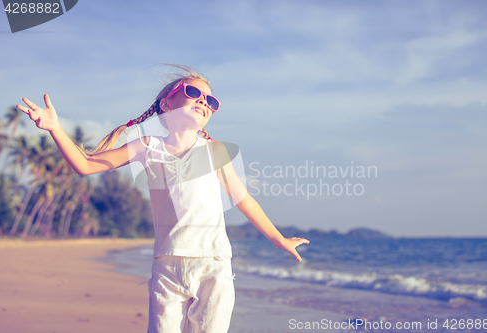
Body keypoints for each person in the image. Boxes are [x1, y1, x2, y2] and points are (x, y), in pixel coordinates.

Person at [17, 66, 310, 333]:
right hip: (167, 268)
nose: (203, 102)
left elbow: (244, 200)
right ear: (166, 104)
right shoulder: (148, 147)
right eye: (193, 93)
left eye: (211, 101)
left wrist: (279, 240)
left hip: (214, 264)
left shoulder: (215, 151)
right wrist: (55, 127)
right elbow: (86, 165)